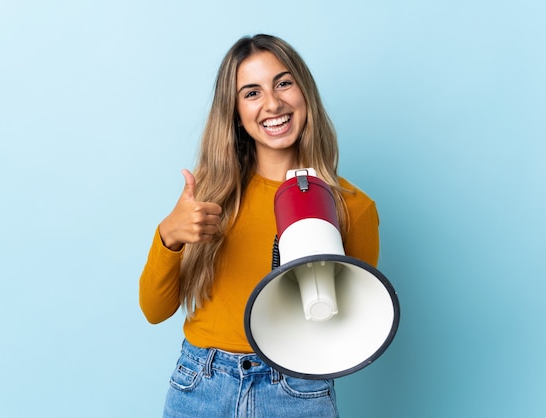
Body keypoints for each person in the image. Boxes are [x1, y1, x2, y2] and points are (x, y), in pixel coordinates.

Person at [139, 34, 380, 417]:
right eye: (251, 93)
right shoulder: (207, 195)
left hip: (297, 388)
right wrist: (169, 235)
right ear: (234, 111)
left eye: (283, 83)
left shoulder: (352, 206)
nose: (273, 103)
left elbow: (352, 328)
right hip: (202, 383)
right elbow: (154, 310)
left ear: (305, 92)